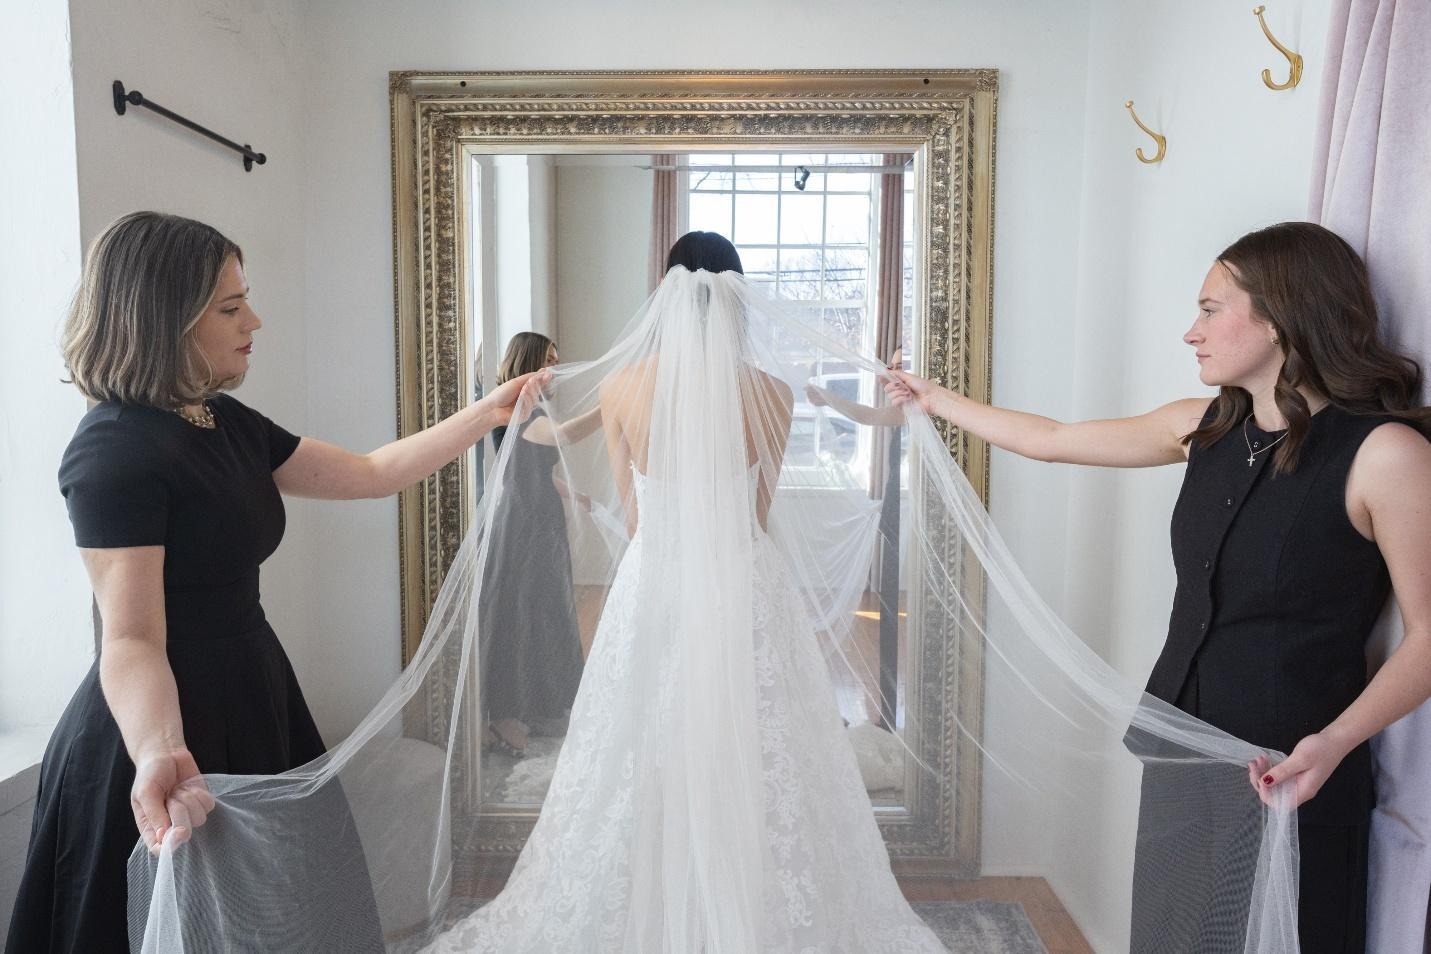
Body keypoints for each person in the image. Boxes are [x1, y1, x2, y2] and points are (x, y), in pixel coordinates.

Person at [4, 211, 545, 954]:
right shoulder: (113, 453)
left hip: (254, 693)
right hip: (161, 722)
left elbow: (370, 473)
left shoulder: (219, 420)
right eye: (229, 308)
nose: (252, 320)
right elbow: (129, 637)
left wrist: (490, 409)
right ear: (165, 318)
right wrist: (161, 749)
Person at [884, 221, 1431, 954]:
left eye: (1209, 309)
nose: (1190, 332)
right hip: (1180, 750)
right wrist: (933, 399)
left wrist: (1330, 745)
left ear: (1280, 316)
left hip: (1292, 769)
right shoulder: (1199, 429)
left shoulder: (1383, 455)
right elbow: (1051, 440)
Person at [425, 233, 948, 952]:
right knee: (760, 741)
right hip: (744, 577)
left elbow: (634, 511)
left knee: (645, 740)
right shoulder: (768, 390)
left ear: (666, 293)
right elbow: (758, 511)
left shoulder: (621, 387)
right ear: (737, 298)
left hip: (656, 578)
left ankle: (656, 893)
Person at [480, 331, 602, 757]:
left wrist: (575, 495)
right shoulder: (518, 415)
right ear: (529, 361)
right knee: (526, 614)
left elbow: (533, 472)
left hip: (540, 523)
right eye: (548, 360)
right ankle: (508, 716)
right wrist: (613, 406)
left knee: (545, 611)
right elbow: (565, 436)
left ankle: (537, 705)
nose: (554, 370)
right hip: (525, 530)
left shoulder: (530, 413)